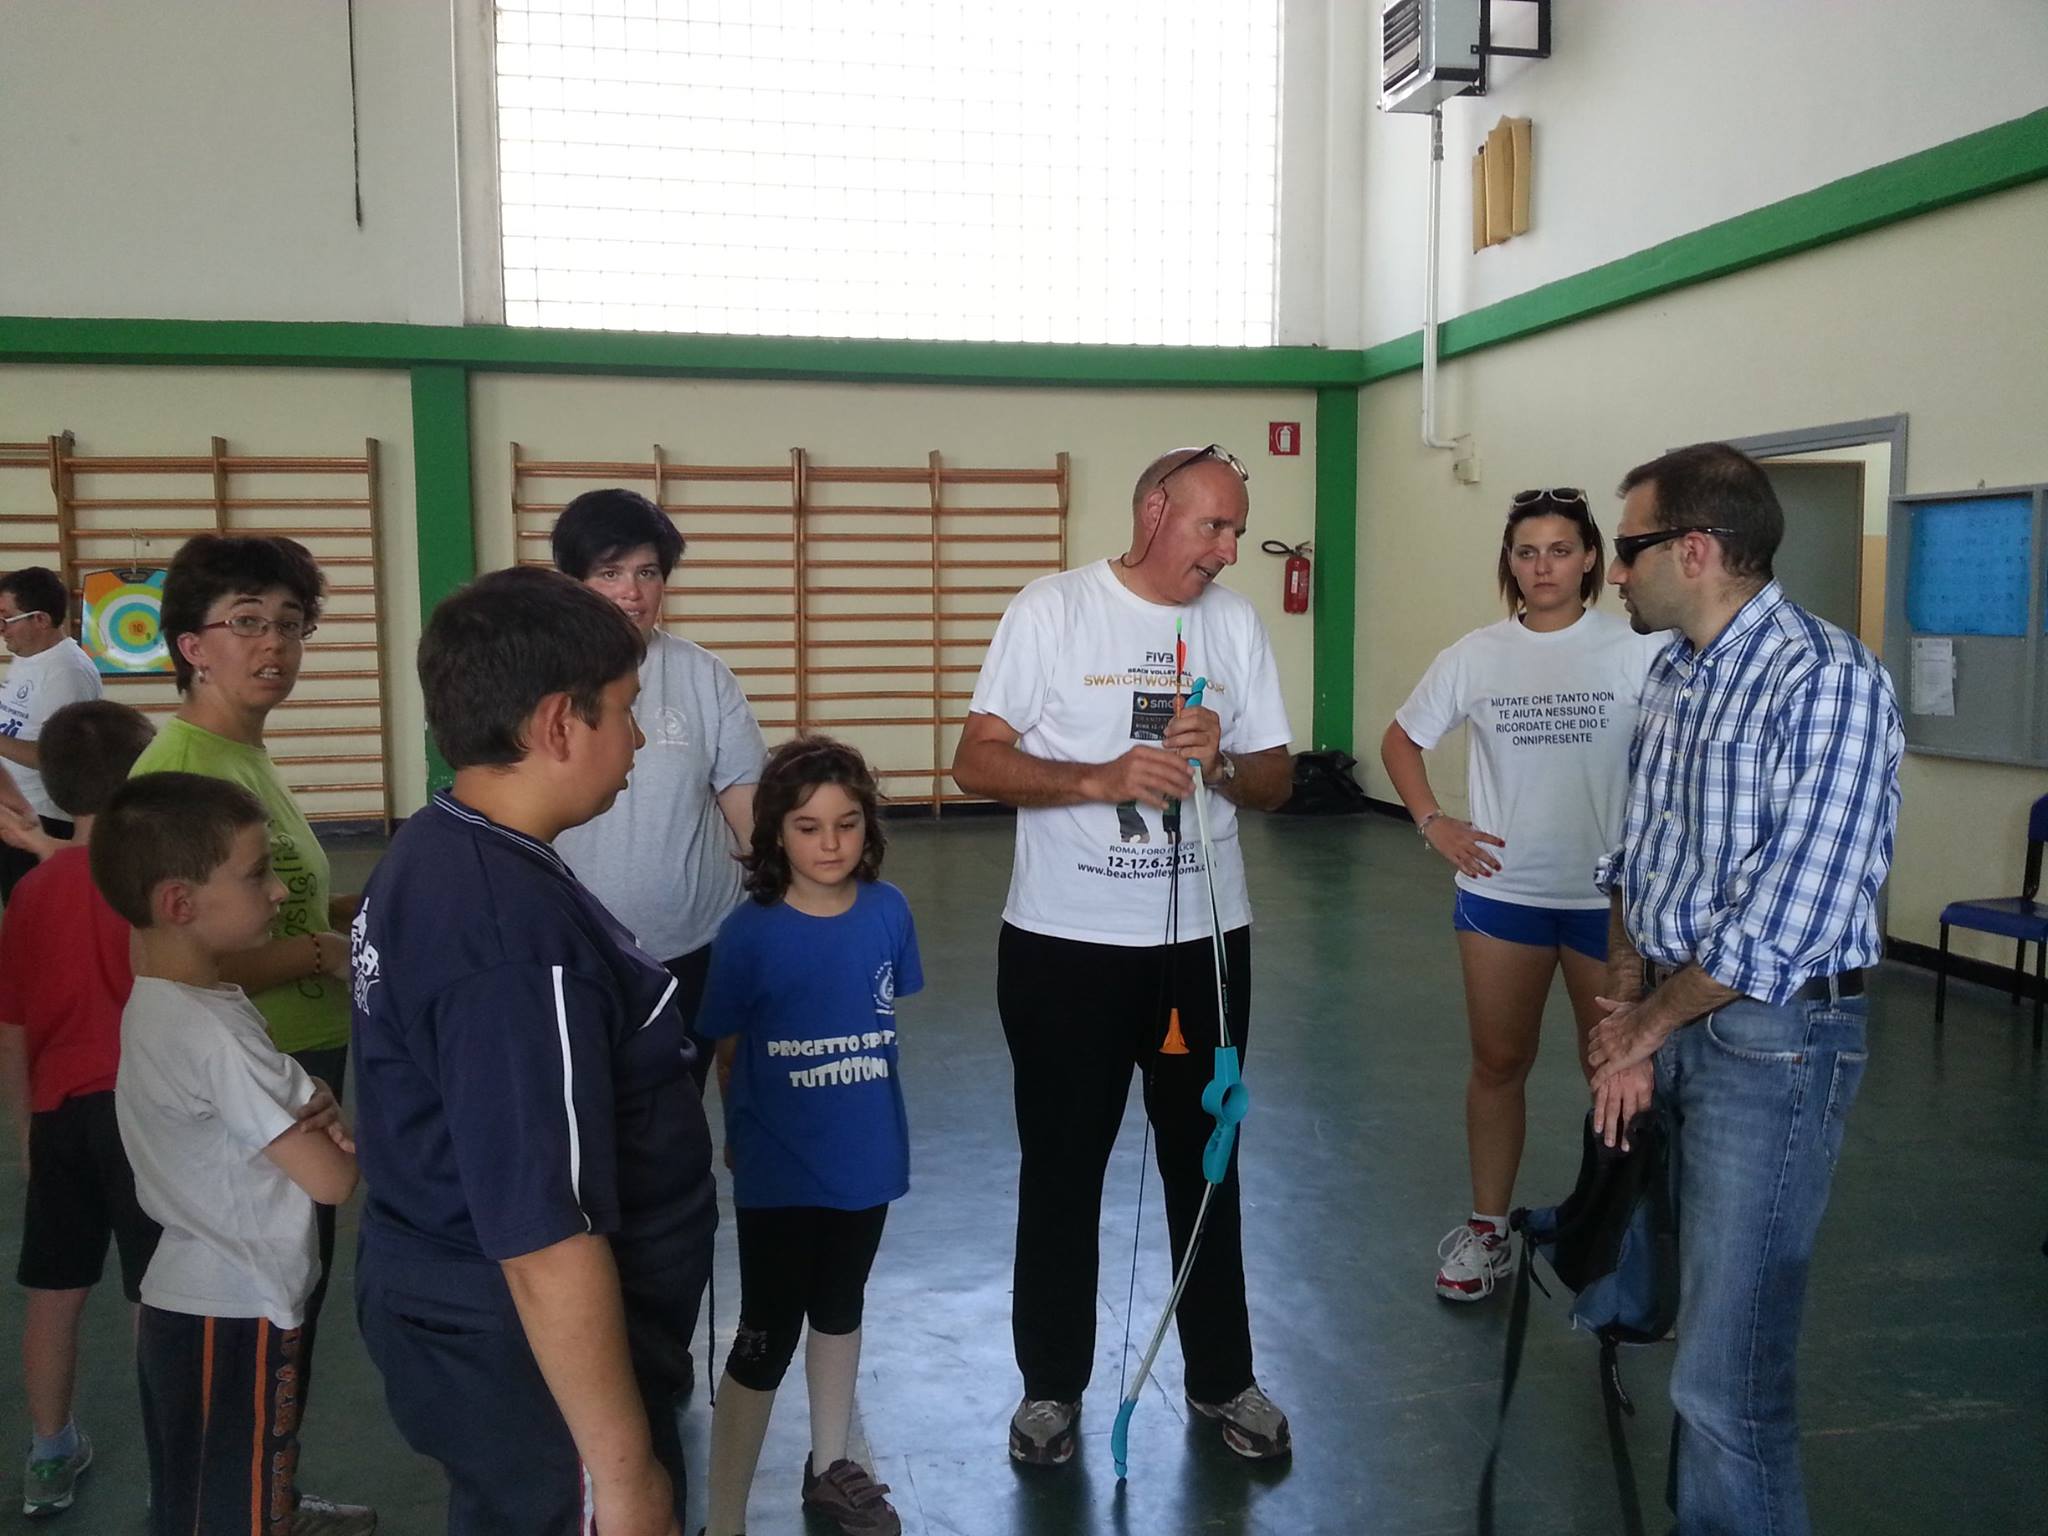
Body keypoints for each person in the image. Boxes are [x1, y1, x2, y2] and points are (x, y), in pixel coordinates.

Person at [351, 566, 716, 1536]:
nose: (636, 739)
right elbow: (544, 1232)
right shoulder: (508, 938)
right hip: (527, 1359)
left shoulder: (439, 845)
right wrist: (623, 1473)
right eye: (626, 713)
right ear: (560, 724)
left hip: (463, 1322)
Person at [952, 444, 1295, 1468]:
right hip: (1065, 948)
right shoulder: (1052, 609)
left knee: (1208, 1165)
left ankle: (1221, 1379)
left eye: (1234, 528)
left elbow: (1277, 777)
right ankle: (1049, 1389)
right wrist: (1097, 778)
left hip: (1205, 947)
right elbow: (976, 760)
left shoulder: (1232, 625)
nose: (1227, 550)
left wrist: (1224, 762)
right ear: (1153, 511)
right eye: (1211, 527)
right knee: (1062, 1169)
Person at [1583, 442, 1902, 1536]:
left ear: (1696, 550)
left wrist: (1642, 1028)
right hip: (1672, 1016)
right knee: (1678, 1326)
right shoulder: (1672, 669)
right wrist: (1627, 999)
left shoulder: (1827, 681)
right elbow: (1635, 855)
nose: (1610, 572)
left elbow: (1786, 921)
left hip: (1771, 1043)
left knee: (1728, 1377)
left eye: (1626, 550)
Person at [128, 534, 367, 1527]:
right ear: (192, 644)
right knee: (263, 1300)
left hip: (295, 1063)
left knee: (291, 1302)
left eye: (289, 623)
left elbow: (284, 912)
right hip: (251, 1080)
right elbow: (179, 955)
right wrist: (318, 956)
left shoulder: (244, 757)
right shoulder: (180, 769)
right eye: (247, 624)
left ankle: (273, 1490)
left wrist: (356, 919)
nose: (275, 645)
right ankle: (240, 1499)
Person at [1380, 490, 1667, 1302]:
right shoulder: (1476, 654)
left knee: (1613, 1070)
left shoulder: (1638, 650)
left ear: (1589, 561)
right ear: (1510, 563)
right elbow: (1402, 738)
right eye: (1526, 552)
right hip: (1502, 896)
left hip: (1606, 904)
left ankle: (1620, 1244)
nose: (1542, 566)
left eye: (1559, 550)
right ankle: (1487, 1232)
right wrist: (1434, 822)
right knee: (1498, 1063)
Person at [98, 772, 362, 1536]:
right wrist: (323, 1120)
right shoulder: (215, 1038)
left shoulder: (169, 1003)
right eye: (256, 875)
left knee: (191, 1501)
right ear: (180, 904)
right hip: (237, 1307)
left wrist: (309, 1098)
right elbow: (333, 1178)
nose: (279, 892)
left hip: (192, 1294)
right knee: (242, 1510)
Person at [697, 736, 920, 1536]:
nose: (830, 844)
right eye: (807, 827)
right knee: (764, 1336)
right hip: (780, 1172)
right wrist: (740, 1133)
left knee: (839, 1306)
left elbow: (882, 1017)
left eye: (847, 824)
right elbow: (726, 1046)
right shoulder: (747, 934)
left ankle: (831, 1468)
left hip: (868, 1161)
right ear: (774, 837)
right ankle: (723, 1518)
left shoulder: (890, 912)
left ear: (868, 829)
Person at [550, 486, 767, 1092]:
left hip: (693, 947)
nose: (631, 591)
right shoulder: (541, 679)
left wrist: (784, 897)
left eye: (647, 572)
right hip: (578, 953)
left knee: (675, 1116)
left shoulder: (702, 674)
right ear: (573, 581)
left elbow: (744, 799)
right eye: (610, 572)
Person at [0, 701, 160, 1517]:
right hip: (144, 1116)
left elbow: (15, 1027)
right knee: (152, 1289)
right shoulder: (148, 884)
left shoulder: (33, 892)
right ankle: (175, 1441)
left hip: (60, 1113)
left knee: (54, 1293)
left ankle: (49, 1452)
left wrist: (27, 1126)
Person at [0, 567, 104, 900]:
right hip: (20, 810)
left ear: (41, 620)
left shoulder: (67, 671)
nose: (1, 630)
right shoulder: (31, 657)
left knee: (33, 912)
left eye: (7, 619)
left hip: (43, 818)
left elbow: (57, 758)